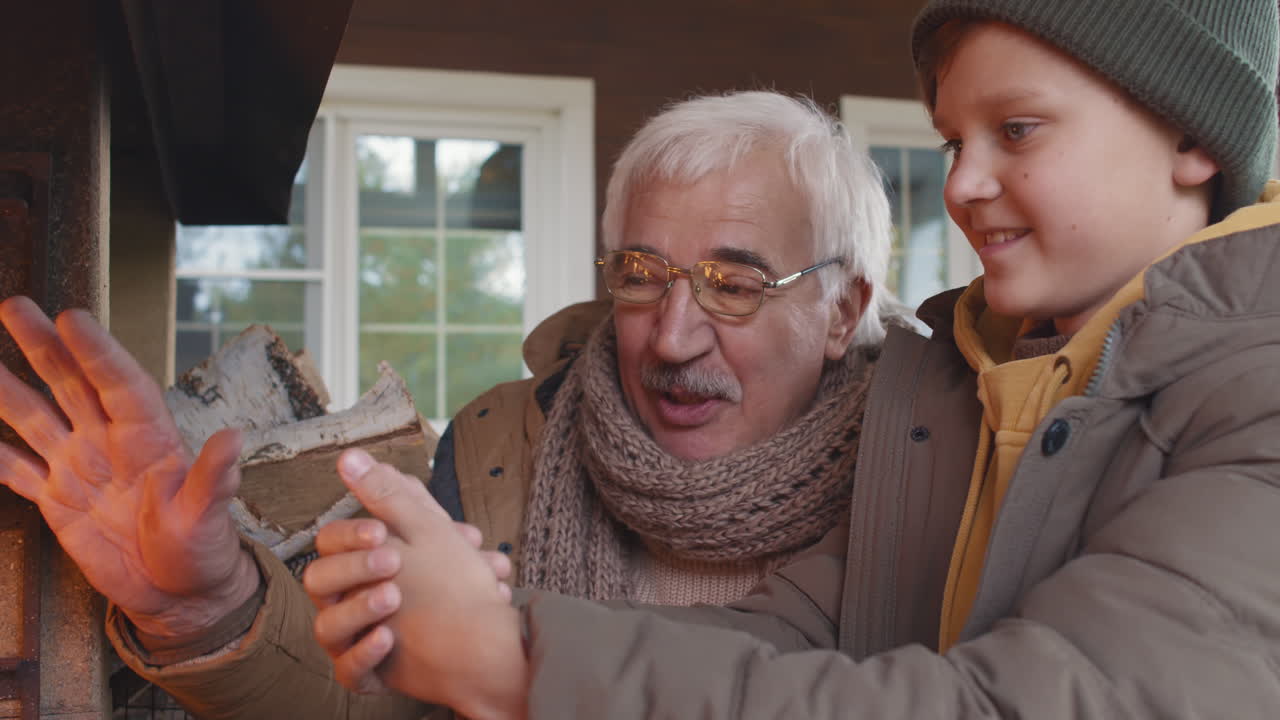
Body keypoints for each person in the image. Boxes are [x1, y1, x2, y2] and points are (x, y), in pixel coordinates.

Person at [305, 0, 1280, 717]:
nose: (962, 185)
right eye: (950, 143)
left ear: (1191, 134)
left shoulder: (1257, 390)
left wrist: (511, 665)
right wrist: (481, 621)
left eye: (1014, 130)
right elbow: (793, 634)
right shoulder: (955, 388)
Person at [0, 90, 899, 717]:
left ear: (842, 312)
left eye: (732, 284)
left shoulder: (935, 480)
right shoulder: (496, 443)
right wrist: (200, 603)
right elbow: (378, 699)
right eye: (641, 274)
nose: (670, 338)